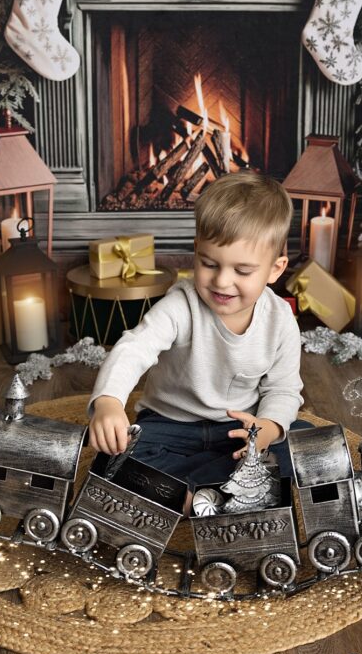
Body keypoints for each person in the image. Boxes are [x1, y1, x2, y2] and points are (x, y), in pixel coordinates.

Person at [88, 172, 303, 508]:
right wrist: (108, 402)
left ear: (275, 269)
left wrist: (267, 428)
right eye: (208, 263)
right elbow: (135, 348)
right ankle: (216, 494)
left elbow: (283, 389)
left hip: (237, 430)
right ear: (196, 251)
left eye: (242, 271)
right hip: (168, 427)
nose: (222, 281)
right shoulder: (181, 306)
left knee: (303, 441)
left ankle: (186, 494)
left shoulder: (280, 320)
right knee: (113, 458)